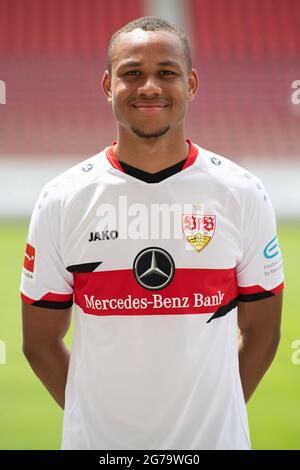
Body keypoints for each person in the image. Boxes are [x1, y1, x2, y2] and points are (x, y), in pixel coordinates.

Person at [20, 16, 284, 450]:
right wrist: (99, 422)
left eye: (166, 72)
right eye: (132, 73)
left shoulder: (242, 193)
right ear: (108, 85)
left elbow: (264, 334)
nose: (149, 87)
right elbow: (39, 342)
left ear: (192, 83)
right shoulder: (63, 200)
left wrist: (215, 417)